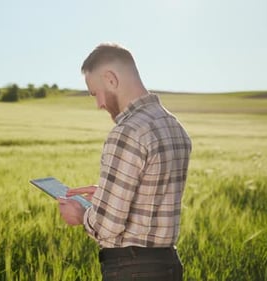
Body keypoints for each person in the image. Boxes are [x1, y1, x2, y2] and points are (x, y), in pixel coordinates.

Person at [58, 43, 192, 281]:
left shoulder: (127, 131)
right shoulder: (175, 126)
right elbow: (152, 198)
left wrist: (81, 215)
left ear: (110, 79)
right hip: (168, 266)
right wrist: (107, 195)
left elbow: (108, 227)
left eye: (95, 93)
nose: (99, 104)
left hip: (132, 270)